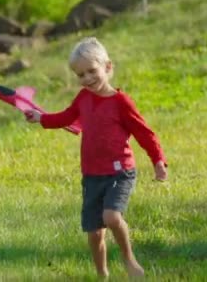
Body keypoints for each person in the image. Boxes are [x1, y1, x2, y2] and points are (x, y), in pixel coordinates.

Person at [24, 37, 168, 278]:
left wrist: (158, 161)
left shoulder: (121, 102)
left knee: (111, 216)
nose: (87, 79)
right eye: (80, 75)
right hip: (92, 175)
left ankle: (128, 258)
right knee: (94, 232)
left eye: (92, 71)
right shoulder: (83, 98)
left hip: (119, 171)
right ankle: (102, 273)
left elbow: (144, 133)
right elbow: (65, 118)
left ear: (108, 67)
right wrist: (40, 118)